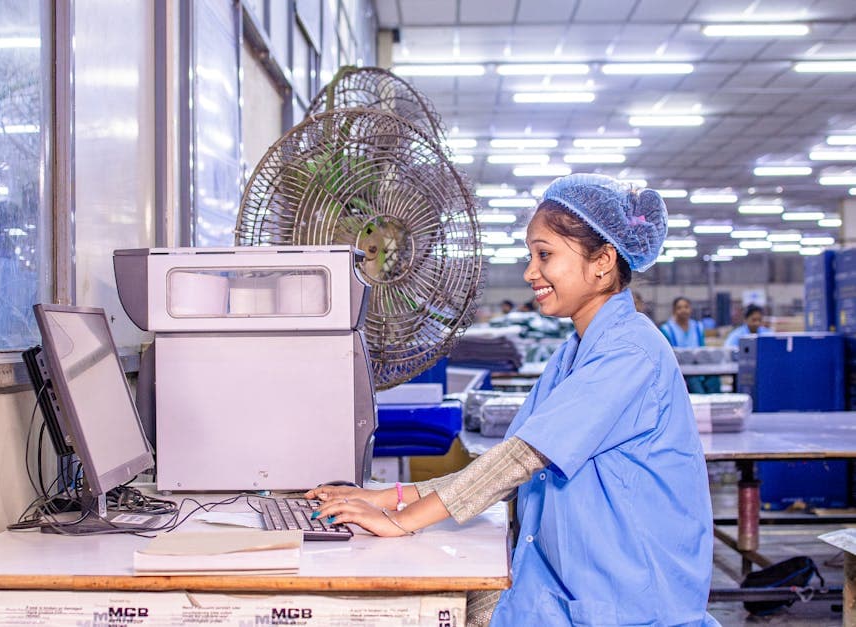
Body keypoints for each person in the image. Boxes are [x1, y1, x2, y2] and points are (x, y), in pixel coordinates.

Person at [307, 174, 718, 626]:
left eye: (545, 255)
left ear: (602, 261)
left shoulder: (631, 353)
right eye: (531, 255)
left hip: (626, 597)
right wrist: (389, 497)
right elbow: (505, 462)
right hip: (566, 580)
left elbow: (521, 459)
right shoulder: (573, 353)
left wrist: (402, 520)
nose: (529, 272)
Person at [660, 296, 720, 394]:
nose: (683, 310)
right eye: (679, 308)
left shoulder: (698, 327)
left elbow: (702, 348)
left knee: (714, 381)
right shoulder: (667, 329)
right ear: (674, 310)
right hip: (681, 371)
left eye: (686, 307)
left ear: (690, 309)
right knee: (695, 384)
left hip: (700, 368)